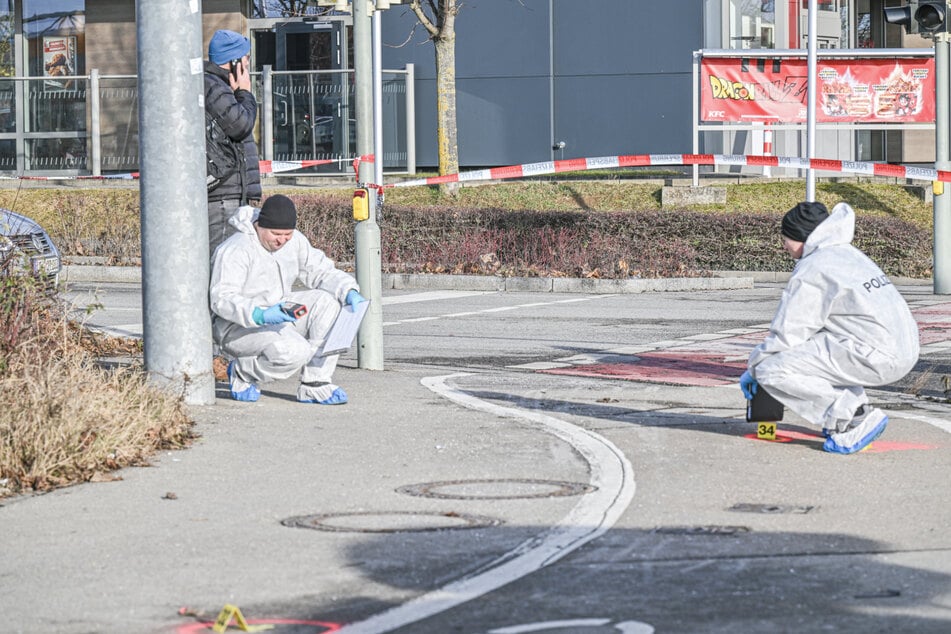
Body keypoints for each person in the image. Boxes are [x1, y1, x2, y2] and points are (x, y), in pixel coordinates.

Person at [739, 201, 920, 455]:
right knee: (815, 352)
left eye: (787, 238)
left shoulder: (814, 268)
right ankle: (852, 408)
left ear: (803, 237)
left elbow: (789, 331)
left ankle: (853, 417)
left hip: (877, 354)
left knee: (772, 370)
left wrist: (756, 367)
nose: (783, 245)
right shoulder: (847, 253)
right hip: (901, 348)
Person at [209, 195, 366, 404]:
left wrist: (348, 290)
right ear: (259, 226)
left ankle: (315, 382)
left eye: (287, 234)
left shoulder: (295, 241)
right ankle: (242, 372)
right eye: (275, 234)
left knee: (328, 303)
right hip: (236, 326)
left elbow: (320, 270)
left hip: (279, 313)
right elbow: (221, 298)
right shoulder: (236, 249)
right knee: (294, 351)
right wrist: (259, 314)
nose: (281, 240)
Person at [204, 29, 262, 259]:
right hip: (223, 197)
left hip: (230, 195)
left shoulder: (220, 87)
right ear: (234, 62)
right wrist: (245, 92)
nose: (248, 66)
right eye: (246, 60)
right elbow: (241, 125)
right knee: (223, 264)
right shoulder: (214, 87)